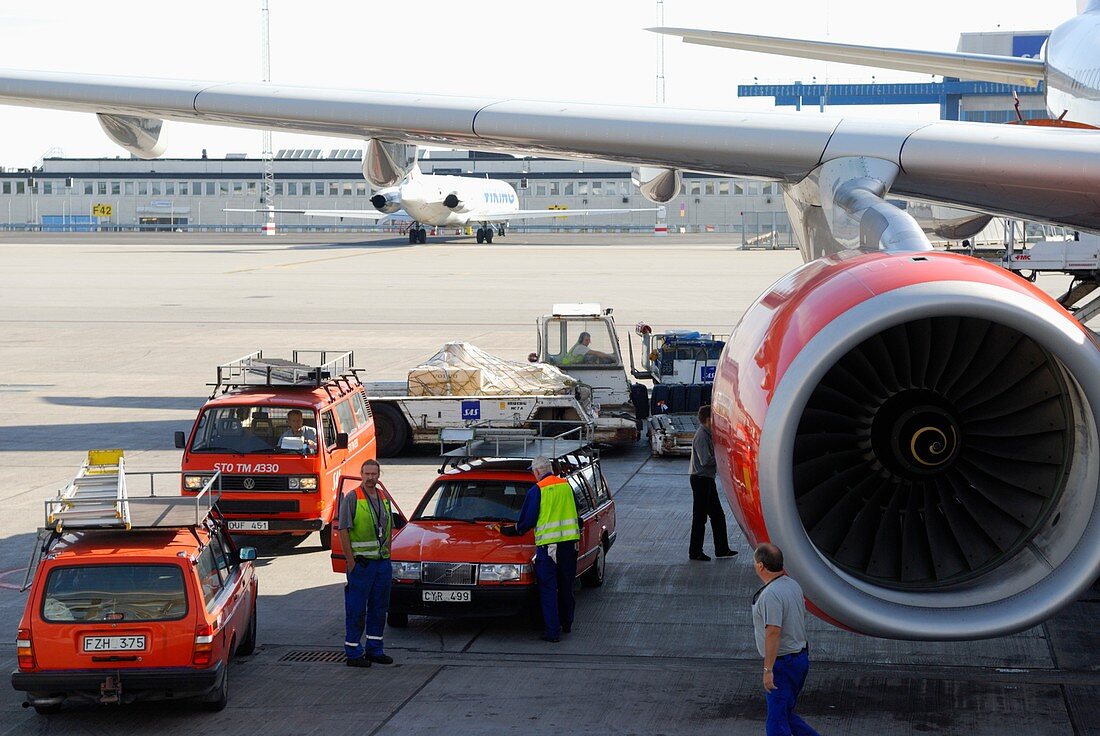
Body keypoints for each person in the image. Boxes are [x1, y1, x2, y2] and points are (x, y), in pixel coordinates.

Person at [500, 455, 580, 643]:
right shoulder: (566, 486)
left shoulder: (537, 490)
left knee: (548, 589)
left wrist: (511, 530)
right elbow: (577, 512)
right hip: (569, 546)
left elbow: (527, 521)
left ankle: (552, 632)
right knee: (567, 586)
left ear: (537, 472)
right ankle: (567, 623)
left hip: (548, 548)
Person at [751, 543, 820, 736]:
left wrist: (768, 670)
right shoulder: (792, 585)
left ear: (761, 566)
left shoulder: (771, 595)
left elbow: (773, 632)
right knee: (786, 714)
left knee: (776, 722)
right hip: (799, 659)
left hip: (783, 663)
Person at [337, 459, 394, 668]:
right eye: (367, 474)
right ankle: (353, 653)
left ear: (379, 476)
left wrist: (388, 555)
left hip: (381, 564)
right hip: (361, 565)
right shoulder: (352, 498)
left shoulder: (384, 498)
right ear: (361, 475)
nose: (371, 478)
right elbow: (343, 530)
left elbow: (388, 529)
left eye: (374, 474)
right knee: (357, 610)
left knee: (379, 609)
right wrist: (351, 562)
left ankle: (374, 650)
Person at [689, 405, 736, 561]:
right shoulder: (702, 436)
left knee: (717, 515)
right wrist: (722, 458)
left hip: (707, 479)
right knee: (700, 518)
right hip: (701, 479)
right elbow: (705, 460)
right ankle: (695, 552)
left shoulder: (708, 434)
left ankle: (722, 549)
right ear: (708, 419)